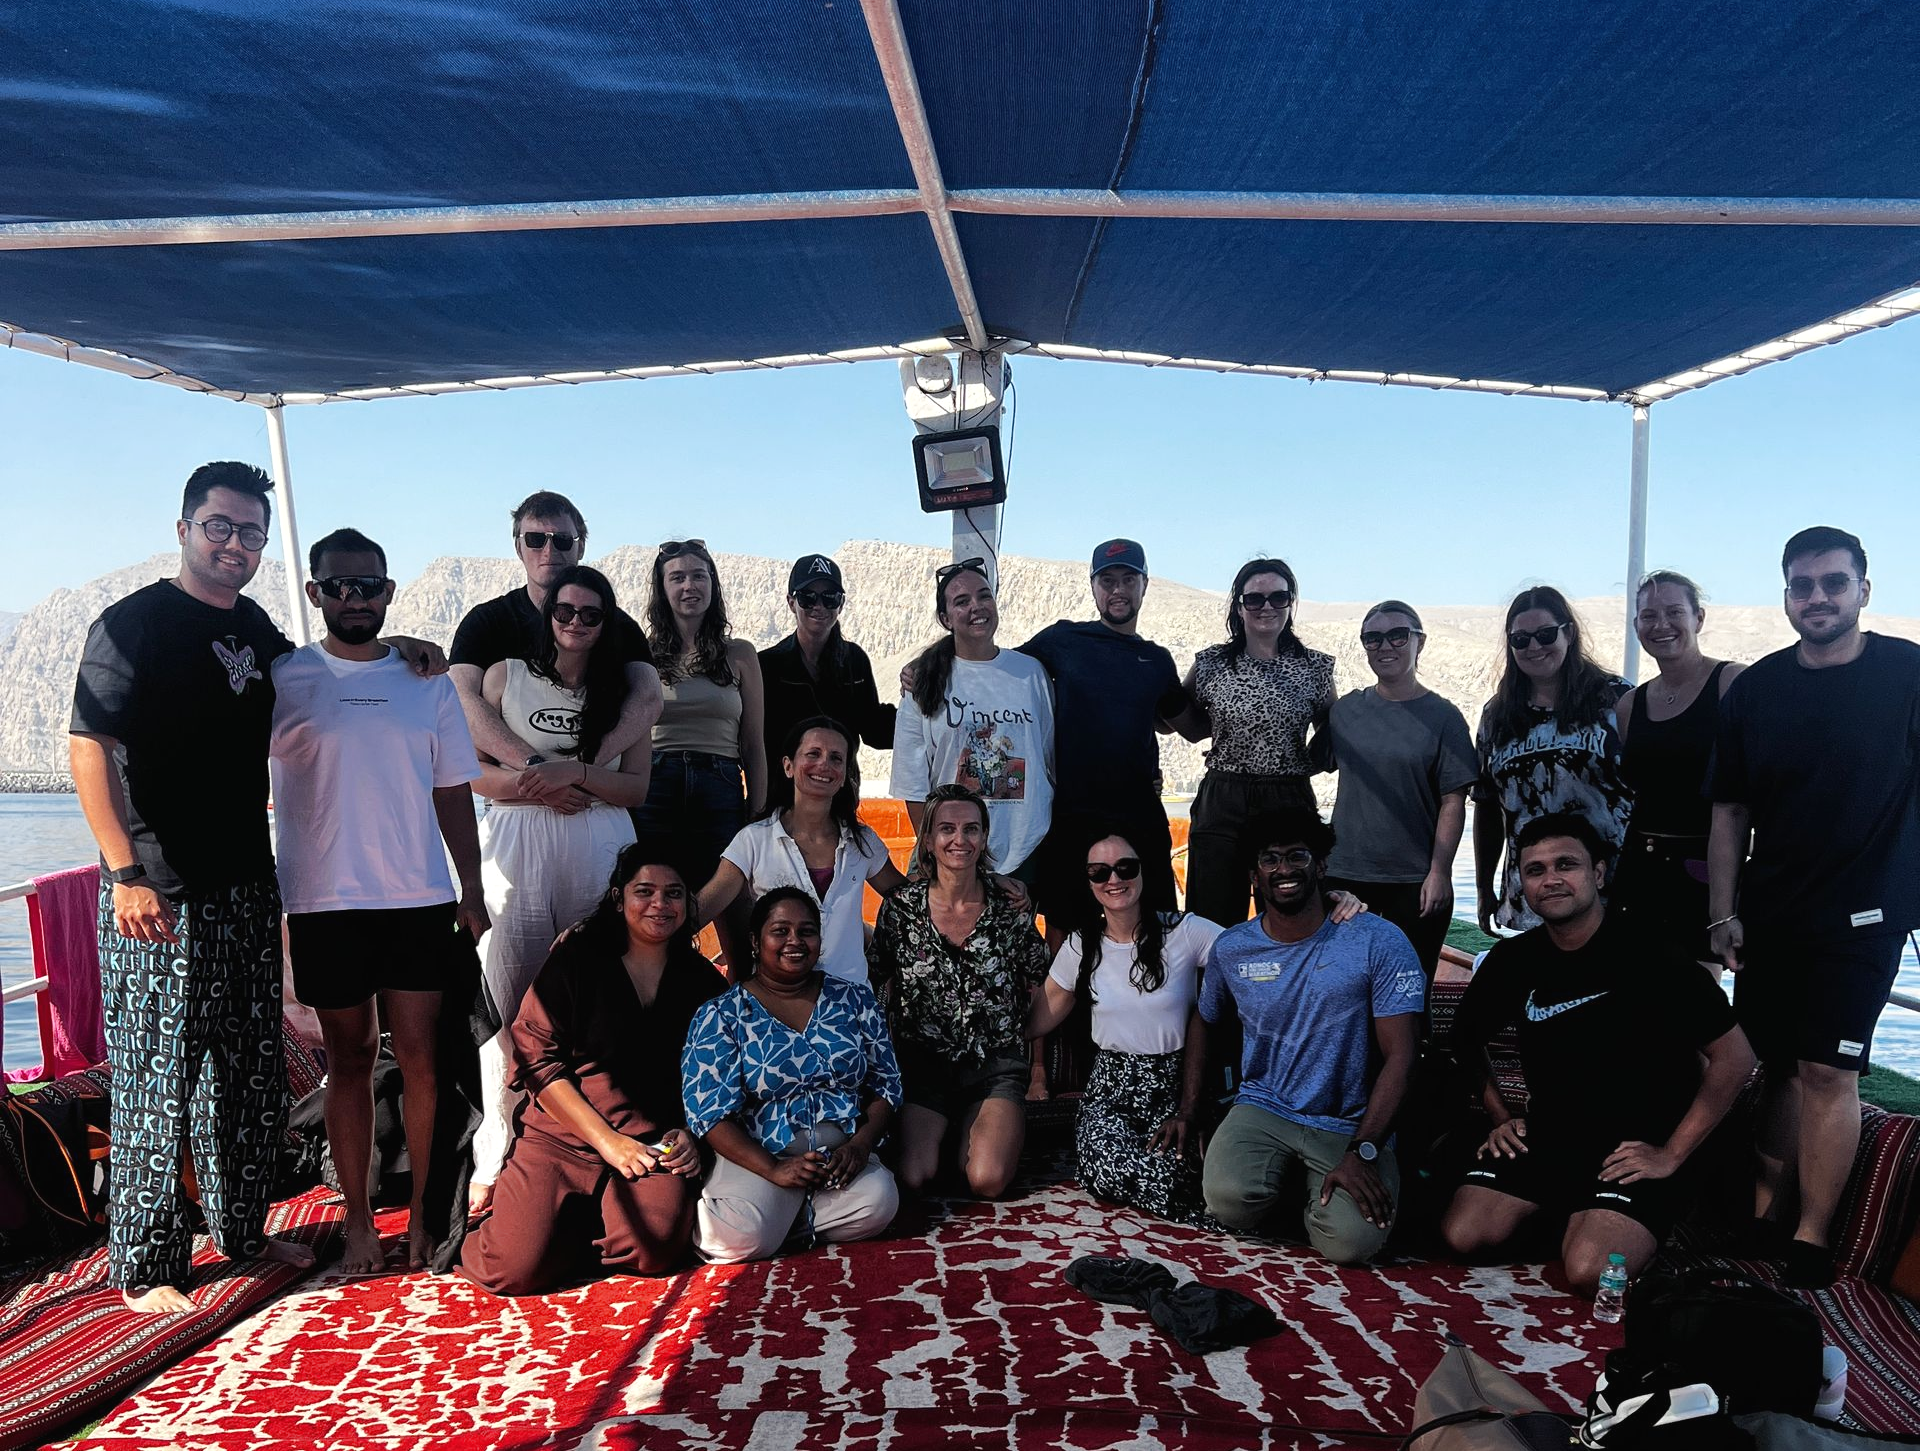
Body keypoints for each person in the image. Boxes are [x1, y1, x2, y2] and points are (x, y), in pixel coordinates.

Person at [269, 527, 490, 1274]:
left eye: (368, 586)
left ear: (389, 591)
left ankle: (427, 1217)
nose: (354, 598)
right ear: (315, 592)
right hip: (325, 900)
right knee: (352, 1059)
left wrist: (473, 888)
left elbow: (453, 788)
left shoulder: (426, 679)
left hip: (418, 896)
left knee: (424, 1058)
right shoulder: (285, 677)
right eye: (339, 586)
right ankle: (359, 1220)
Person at [1708, 526, 1920, 1288]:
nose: (1818, 597)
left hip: (1864, 914)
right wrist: (1722, 911)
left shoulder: (1908, 672)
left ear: (1864, 589)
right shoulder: (1758, 689)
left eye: (1834, 582)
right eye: (1803, 584)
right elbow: (1729, 811)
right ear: (1787, 594)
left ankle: (1812, 1234)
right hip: (1770, 911)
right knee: (1778, 1066)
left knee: (1829, 1069)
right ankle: (1766, 1213)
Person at [1442, 815, 1754, 1295]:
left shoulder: (1653, 954)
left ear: (1599, 873)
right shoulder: (1514, 960)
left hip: (1635, 1149)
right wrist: (1498, 1115)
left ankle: (1623, 1219)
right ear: (1522, 884)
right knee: (1464, 1235)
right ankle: (1578, 1213)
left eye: (1566, 864)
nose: (1551, 880)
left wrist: (1671, 1154)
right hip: (1551, 1136)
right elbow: (1464, 1039)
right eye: (1535, 870)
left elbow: (1736, 1058)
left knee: (1589, 1272)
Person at [459, 852, 725, 1295]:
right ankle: (534, 1229)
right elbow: (536, 1060)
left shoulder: (700, 981)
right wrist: (609, 1142)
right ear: (619, 899)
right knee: (513, 1270)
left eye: (673, 894)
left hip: (649, 1142)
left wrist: (691, 1134)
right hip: (561, 1138)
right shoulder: (577, 959)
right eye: (645, 892)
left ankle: (565, 1231)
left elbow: (716, 1074)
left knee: (653, 1251)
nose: (660, 904)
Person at [469, 565, 648, 1210]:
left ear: (607, 623)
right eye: (564, 612)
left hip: (596, 841)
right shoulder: (504, 676)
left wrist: (578, 774)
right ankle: (497, 1142)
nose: (576, 624)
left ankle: (597, 1131)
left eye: (591, 614)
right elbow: (476, 775)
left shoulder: (623, 693)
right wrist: (542, 785)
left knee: (593, 987)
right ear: (548, 616)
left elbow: (635, 787)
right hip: (518, 837)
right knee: (506, 993)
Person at [1182, 807, 1423, 1265]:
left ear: (1322, 865)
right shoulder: (1233, 948)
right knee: (1226, 1202)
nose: (1284, 870)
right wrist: (1189, 1108)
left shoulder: (1379, 940)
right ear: (1254, 874)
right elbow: (1205, 1019)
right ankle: (1297, 1184)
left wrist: (1365, 1150)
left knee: (1351, 1244)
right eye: (1270, 860)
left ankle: (1314, 1187)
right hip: (1264, 1105)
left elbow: (1404, 1058)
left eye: (1297, 856)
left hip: (1349, 1121)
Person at [681, 889, 902, 1262]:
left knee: (879, 1203)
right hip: (761, 1157)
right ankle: (778, 1214)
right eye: (780, 931)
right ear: (755, 940)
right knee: (729, 1240)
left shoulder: (853, 1000)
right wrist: (776, 1170)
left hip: (838, 1159)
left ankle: (781, 1222)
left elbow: (886, 1084)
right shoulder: (722, 1015)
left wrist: (860, 1148)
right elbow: (708, 1114)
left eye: (807, 931)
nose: (795, 942)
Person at [1026, 833, 1224, 1221]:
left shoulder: (1184, 931)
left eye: (1125, 868)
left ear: (1144, 871)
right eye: (1099, 872)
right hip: (1109, 1091)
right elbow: (1037, 1019)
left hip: (1172, 1088)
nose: (1113, 879)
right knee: (1105, 1168)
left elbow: (1257, 947)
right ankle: (1195, 1205)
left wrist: (1331, 903)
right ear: (1089, 883)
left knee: (1175, 1166)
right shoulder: (1081, 946)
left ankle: (1189, 1193)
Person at [869, 785, 1051, 1199]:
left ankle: (982, 1131)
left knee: (985, 1180)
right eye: (946, 829)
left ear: (984, 838)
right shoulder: (901, 908)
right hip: (925, 1069)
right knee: (914, 1177)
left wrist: (1038, 1069)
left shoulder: (1008, 906)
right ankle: (953, 1135)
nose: (959, 839)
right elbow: (876, 979)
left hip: (996, 1067)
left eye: (971, 829)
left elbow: (1041, 980)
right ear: (929, 841)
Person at [1018, 540, 1196, 925]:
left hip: (1140, 817)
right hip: (1072, 816)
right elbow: (997, 669)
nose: (1118, 590)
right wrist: (933, 664)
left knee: (1158, 923)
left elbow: (1195, 729)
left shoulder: (1157, 660)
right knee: (1067, 927)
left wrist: (1208, 669)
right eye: (1108, 580)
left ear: (1144, 585)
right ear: (1094, 587)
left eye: (1128, 579)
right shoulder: (1063, 641)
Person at [449, 490, 661, 803]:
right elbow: (459, 700)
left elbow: (648, 698)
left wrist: (578, 771)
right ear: (518, 546)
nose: (549, 550)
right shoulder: (486, 622)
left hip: (594, 810)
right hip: (517, 811)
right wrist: (542, 775)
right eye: (535, 539)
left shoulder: (619, 627)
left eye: (561, 540)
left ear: (581, 546)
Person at [1177, 558, 1336, 928]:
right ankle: (1213, 986)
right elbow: (1187, 726)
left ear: (1290, 604)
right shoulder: (1211, 663)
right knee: (1212, 919)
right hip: (1224, 796)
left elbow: (1333, 735)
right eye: (1255, 599)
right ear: (1239, 605)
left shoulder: (1315, 668)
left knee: (1292, 915)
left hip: (1289, 798)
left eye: (1278, 597)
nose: (1266, 606)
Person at [1322, 600, 1477, 978]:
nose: (1385, 646)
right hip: (1345, 879)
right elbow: (1299, 764)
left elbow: (1453, 801)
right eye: (1373, 638)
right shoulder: (1344, 712)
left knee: (1410, 986)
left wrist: (1440, 872)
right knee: (1344, 986)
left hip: (1414, 882)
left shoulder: (1444, 717)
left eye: (1397, 635)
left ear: (1418, 642)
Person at [636, 539, 766, 970]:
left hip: (721, 785)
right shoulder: (642, 657)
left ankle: (743, 1022)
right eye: (677, 577)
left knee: (735, 914)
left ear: (713, 585)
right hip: (656, 787)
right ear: (662, 589)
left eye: (699, 575)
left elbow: (753, 742)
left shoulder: (740, 655)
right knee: (655, 908)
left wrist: (757, 812)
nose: (689, 585)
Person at [699, 716, 906, 985]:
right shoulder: (753, 840)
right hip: (777, 1003)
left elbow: (908, 899)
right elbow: (705, 906)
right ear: (788, 766)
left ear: (844, 774)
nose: (824, 765)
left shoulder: (863, 842)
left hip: (851, 1005)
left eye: (836, 758)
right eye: (813, 753)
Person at [1473, 587, 1632, 934]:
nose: (1533, 647)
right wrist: (1484, 888)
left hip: (1612, 890)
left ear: (1569, 633)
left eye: (1545, 635)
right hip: (1532, 895)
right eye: (1520, 639)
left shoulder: (1617, 699)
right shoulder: (1496, 716)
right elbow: (1486, 805)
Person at [890, 558, 1056, 880]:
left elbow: (1049, 760)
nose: (976, 607)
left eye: (984, 596)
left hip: (1026, 852)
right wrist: (933, 851)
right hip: (955, 854)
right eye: (962, 601)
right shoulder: (923, 682)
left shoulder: (1031, 673)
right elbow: (913, 783)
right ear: (945, 617)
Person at [1612, 571, 1743, 962]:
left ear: (1698, 618)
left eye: (1674, 612)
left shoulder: (1731, 683)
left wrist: (1727, 904)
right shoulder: (1629, 706)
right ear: (1636, 624)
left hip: (1707, 873)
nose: (1661, 625)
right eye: (1649, 615)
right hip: (1640, 870)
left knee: (1698, 1007)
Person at [757, 554, 896, 789]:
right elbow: (753, 739)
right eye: (808, 597)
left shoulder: (855, 660)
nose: (819, 606)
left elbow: (875, 730)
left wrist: (926, 706)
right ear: (791, 602)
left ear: (841, 604)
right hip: (780, 798)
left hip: (838, 796)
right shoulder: (766, 665)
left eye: (829, 598)